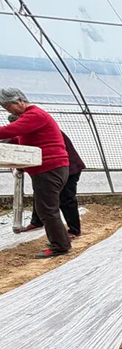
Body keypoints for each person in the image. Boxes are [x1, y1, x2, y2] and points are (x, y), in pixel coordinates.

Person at [0, 88, 72, 258]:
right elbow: (17, 137)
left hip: (49, 169)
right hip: (48, 169)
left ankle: (60, 246)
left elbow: (10, 131)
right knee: (46, 208)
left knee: (47, 210)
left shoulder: (34, 115)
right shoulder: (32, 117)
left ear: (20, 101)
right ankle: (61, 241)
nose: (9, 111)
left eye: (9, 107)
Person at [9, 114, 85, 237]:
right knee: (40, 193)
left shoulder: (42, 130)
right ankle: (37, 222)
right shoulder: (28, 132)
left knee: (66, 198)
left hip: (67, 167)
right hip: (49, 170)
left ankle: (74, 230)